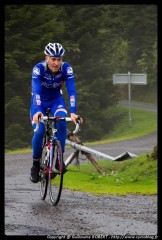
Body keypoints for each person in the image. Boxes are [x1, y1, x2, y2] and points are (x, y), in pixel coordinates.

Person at [30, 42, 83, 183]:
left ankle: (59, 160)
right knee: (40, 132)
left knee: (60, 122)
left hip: (56, 101)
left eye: (59, 59)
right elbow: (36, 92)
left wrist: (73, 112)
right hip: (39, 103)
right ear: (46, 58)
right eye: (53, 59)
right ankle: (35, 164)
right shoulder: (38, 69)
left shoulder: (66, 69)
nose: (56, 63)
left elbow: (71, 91)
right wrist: (37, 112)